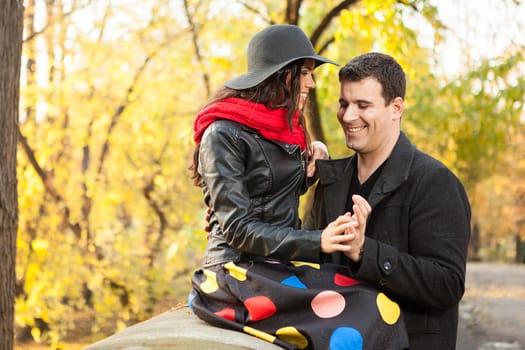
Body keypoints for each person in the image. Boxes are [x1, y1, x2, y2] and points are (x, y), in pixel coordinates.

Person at [188, 25, 409, 350]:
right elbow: (238, 228)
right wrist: (317, 240)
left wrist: (311, 164)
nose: (312, 82)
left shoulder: (286, 123)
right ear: (280, 74)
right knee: (360, 316)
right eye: (304, 72)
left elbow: (271, 187)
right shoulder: (222, 135)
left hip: (276, 266)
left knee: (378, 303)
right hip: (236, 270)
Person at [305, 52, 471, 350]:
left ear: (396, 108)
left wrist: (365, 252)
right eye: (344, 103)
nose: (348, 115)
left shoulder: (435, 182)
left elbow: (446, 284)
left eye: (363, 105)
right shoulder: (328, 182)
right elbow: (304, 268)